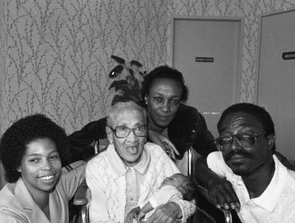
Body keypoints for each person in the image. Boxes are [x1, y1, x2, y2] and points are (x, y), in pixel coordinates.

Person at [67, 65, 217, 171]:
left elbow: (213, 156)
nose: (165, 108)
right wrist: (145, 132)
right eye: (158, 99)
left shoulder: (190, 120)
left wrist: (211, 179)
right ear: (146, 98)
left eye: (174, 101)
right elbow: (79, 140)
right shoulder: (130, 116)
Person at [86, 101, 195, 223]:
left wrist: (176, 207)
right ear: (110, 135)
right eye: (123, 129)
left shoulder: (157, 154)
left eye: (139, 129)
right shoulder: (97, 167)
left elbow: (190, 201)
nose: (132, 139)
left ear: (146, 132)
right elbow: (99, 222)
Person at [125, 173, 196, 223]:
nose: (167, 178)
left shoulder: (169, 189)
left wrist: (142, 211)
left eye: (172, 179)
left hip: (152, 222)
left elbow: (153, 202)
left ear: (181, 189)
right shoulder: (177, 196)